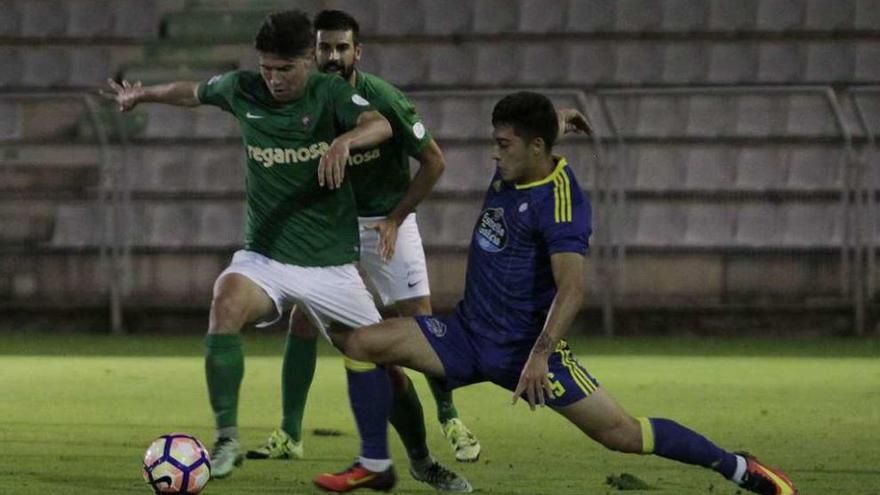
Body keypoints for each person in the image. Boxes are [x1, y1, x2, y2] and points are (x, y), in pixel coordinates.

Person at [325, 91, 799, 495]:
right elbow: (543, 125)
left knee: (623, 434)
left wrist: (539, 355)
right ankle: (377, 463)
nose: (496, 154)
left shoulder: (562, 203)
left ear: (535, 148)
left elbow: (573, 289)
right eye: (496, 142)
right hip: (465, 335)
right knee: (362, 344)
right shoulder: (516, 166)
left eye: (503, 145)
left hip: (529, 355)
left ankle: (738, 467)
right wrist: (561, 114)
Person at [101, 10, 431, 489]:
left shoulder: (331, 93)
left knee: (388, 370)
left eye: (285, 70)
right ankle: (228, 439)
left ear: (308, 62)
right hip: (267, 258)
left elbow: (378, 124)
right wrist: (143, 94)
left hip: (331, 266)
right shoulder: (241, 89)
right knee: (226, 299)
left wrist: (344, 142)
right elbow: (190, 93)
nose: (274, 80)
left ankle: (420, 458)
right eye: (267, 69)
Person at [246, 9, 482, 472]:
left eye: (341, 47)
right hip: (335, 226)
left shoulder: (382, 99)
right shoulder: (306, 99)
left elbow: (435, 161)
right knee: (301, 320)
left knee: (418, 320)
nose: (332, 56)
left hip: (386, 222)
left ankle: (451, 418)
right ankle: (290, 434)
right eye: (324, 47)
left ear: (358, 51)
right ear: (311, 51)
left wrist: (396, 218)